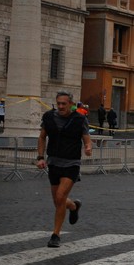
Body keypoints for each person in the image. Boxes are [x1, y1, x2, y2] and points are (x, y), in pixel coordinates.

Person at [36, 91, 92, 248]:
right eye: (58, 103)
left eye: (64, 104)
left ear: (71, 104)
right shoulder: (48, 117)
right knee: (57, 200)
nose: (60, 106)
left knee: (60, 196)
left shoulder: (80, 119)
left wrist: (88, 148)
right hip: (53, 162)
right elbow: (42, 137)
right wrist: (40, 157)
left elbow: (87, 140)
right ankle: (74, 206)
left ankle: (55, 235)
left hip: (71, 164)